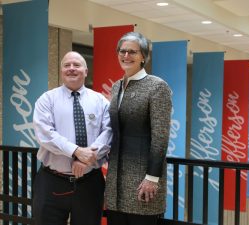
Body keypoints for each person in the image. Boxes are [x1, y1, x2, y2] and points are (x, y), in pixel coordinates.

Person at [32, 51, 112, 225]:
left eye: (76, 65)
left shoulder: (100, 101)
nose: (71, 69)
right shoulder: (47, 100)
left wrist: (87, 158)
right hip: (52, 182)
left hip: (89, 183)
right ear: (61, 71)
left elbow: (109, 132)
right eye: (67, 65)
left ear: (85, 71)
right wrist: (75, 151)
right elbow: (45, 133)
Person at [105, 32, 172, 225]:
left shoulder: (157, 86)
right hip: (116, 182)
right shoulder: (117, 86)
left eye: (132, 52)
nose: (126, 56)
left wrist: (152, 178)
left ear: (143, 56)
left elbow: (160, 137)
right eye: (122, 51)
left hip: (142, 181)